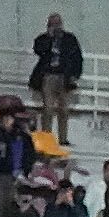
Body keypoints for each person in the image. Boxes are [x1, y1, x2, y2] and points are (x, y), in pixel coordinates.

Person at [28, 13, 82, 142]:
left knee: (64, 109)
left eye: (58, 24)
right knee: (48, 108)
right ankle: (47, 137)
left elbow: (77, 58)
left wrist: (75, 75)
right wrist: (49, 37)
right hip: (48, 76)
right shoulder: (43, 39)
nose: (56, 27)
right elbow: (38, 49)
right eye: (52, 24)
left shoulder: (70, 39)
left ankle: (63, 138)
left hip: (64, 76)